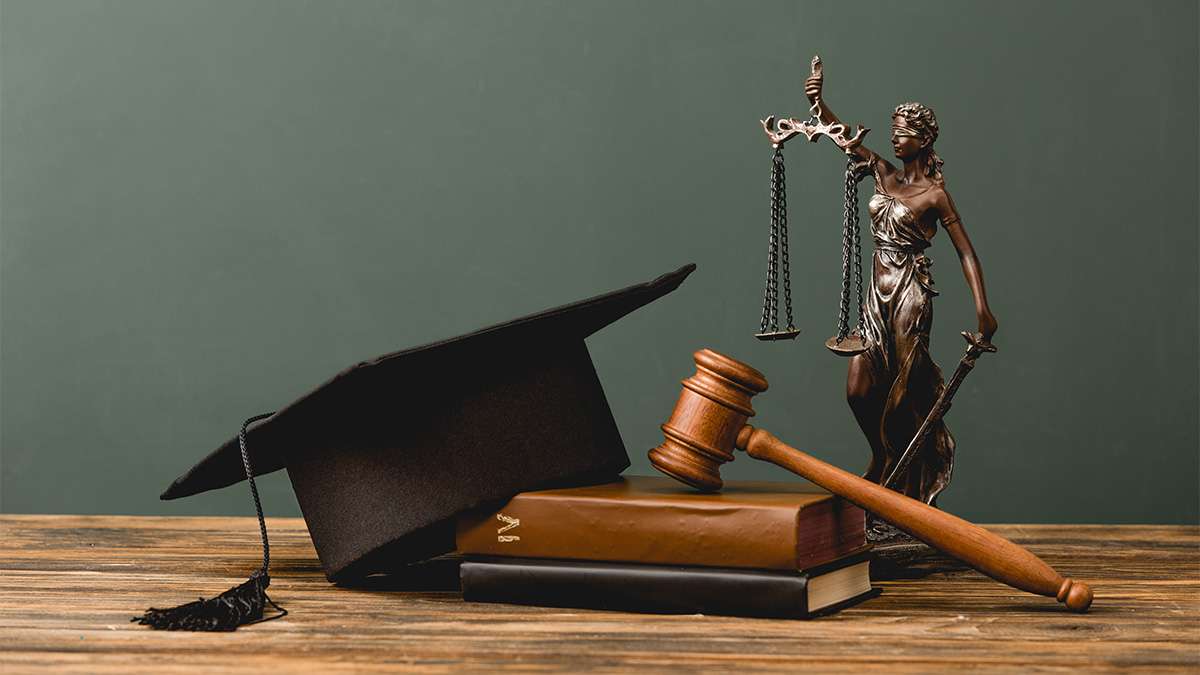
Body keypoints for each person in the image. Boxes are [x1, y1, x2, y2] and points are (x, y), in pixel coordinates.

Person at [803, 70, 998, 506]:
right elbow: (844, 140)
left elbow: (966, 252)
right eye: (892, 132)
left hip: (910, 289)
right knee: (859, 390)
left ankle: (906, 483)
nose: (895, 140)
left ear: (924, 140)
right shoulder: (883, 173)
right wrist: (818, 103)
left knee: (904, 392)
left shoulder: (935, 196)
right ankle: (883, 456)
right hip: (877, 290)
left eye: (904, 133)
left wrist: (983, 309)